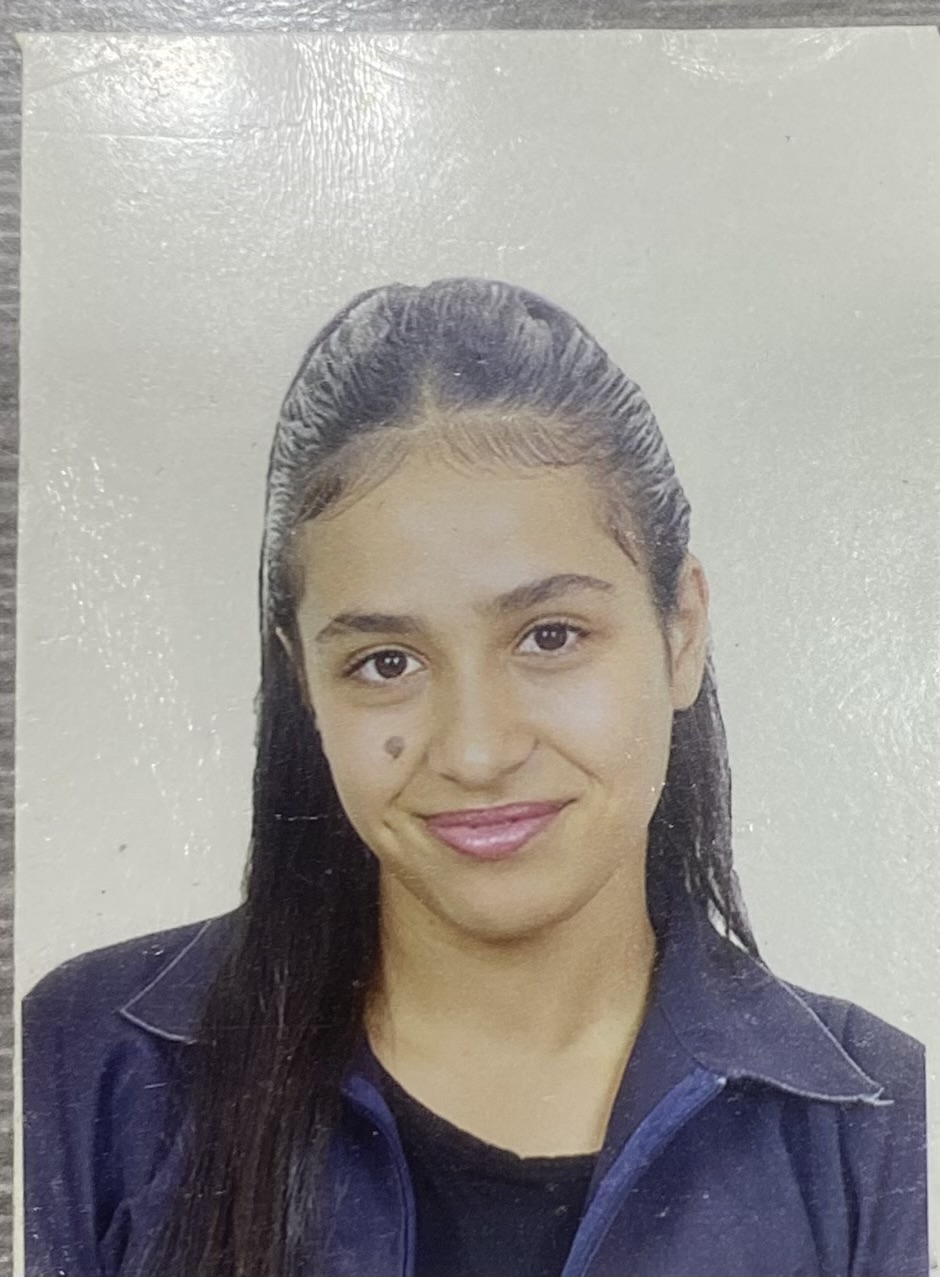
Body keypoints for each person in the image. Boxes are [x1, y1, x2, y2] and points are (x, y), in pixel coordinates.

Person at [22, 278, 927, 1277]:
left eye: (550, 635)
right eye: (386, 662)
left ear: (680, 631)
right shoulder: (77, 1069)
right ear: (303, 680)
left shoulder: (882, 1131)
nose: (477, 749)